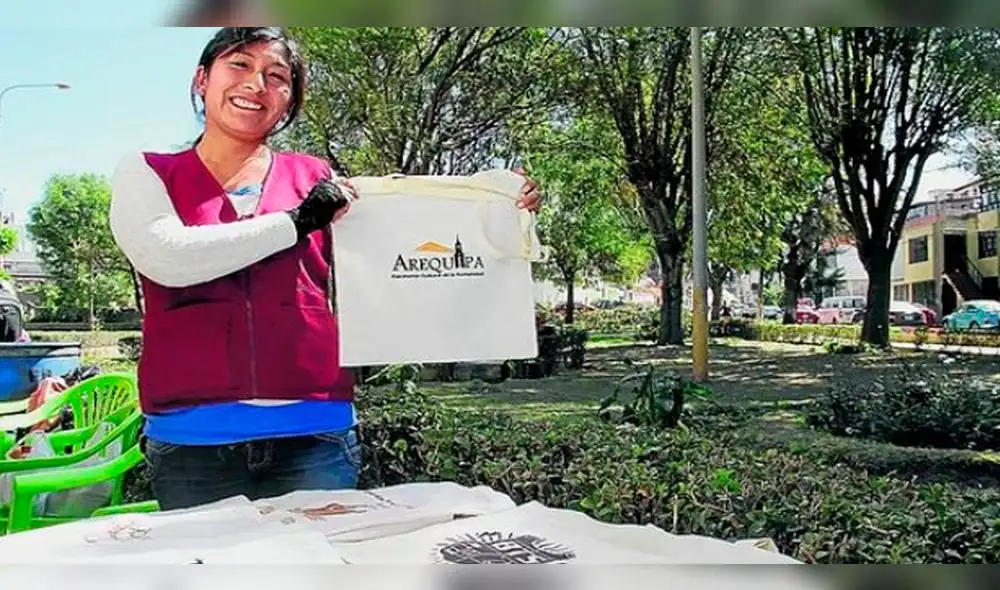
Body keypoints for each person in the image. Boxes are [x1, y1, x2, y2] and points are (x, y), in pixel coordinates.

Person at [109, 27, 542, 511]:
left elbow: (403, 239)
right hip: (193, 442)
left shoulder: (316, 177)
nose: (256, 84)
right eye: (240, 66)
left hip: (317, 435)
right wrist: (297, 222)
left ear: (289, 100)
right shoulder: (147, 171)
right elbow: (167, 256)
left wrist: (497, 205)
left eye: (277, 76)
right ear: (201, 79)